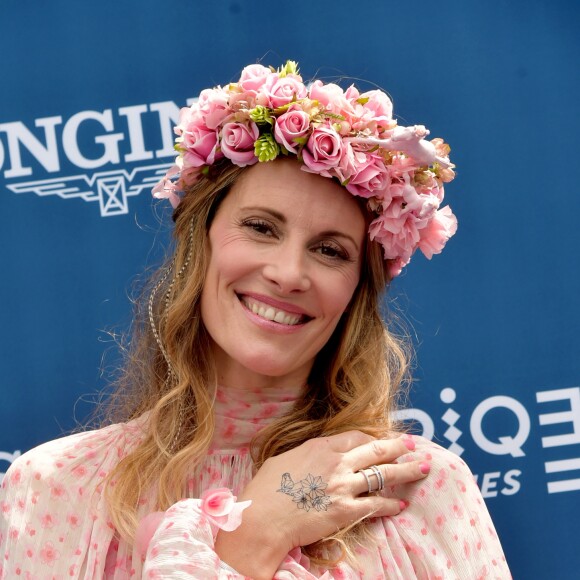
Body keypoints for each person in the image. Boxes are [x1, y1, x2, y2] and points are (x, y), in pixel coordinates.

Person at [0, 61, 510, 579]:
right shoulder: (53, 487)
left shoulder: (419, 487)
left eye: (330, 251)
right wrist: (259, 532)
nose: (289, 274)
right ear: (200, 240)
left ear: (357, 289)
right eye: (261, 227)